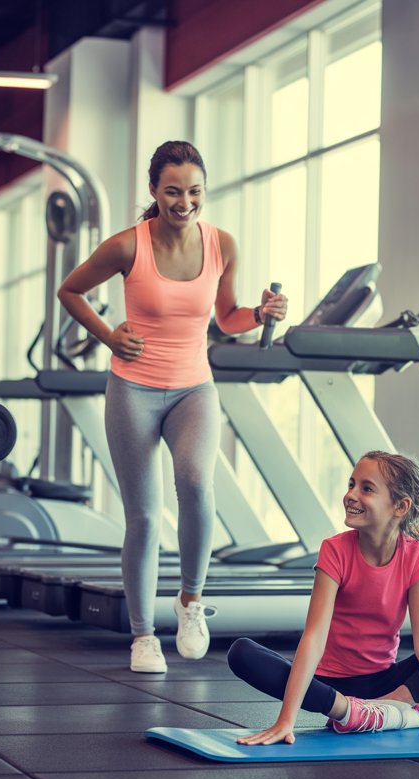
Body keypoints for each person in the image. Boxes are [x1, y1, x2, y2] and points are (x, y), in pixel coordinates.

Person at [57, 140, 287, 673]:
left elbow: (227, 319)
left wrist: (261, 311)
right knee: (142, 515)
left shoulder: (222, 244)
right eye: (173, 192)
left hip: (193, 388)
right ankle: (142, 636)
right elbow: (71, 291)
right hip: (132, 388)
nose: (184, 202)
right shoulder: (126, 246)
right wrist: (108, 336)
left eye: (194, 192)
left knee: (196, 483)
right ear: (154, 192)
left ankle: (189, 601)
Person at [230, 451, 419, 745]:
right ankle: (352, 710)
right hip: (330, 686)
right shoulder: (335, 550)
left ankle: (394, 705)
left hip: (386, 682)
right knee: (241, 653)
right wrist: (285, 721)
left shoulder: (416, 557)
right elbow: (314, 637)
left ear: (400, 506)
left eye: (366, 488)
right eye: (351, 484)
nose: (351, 495)